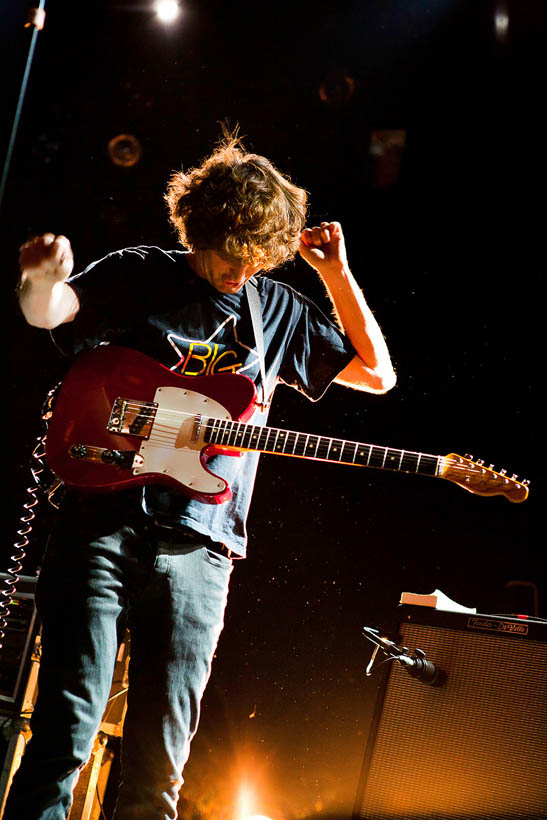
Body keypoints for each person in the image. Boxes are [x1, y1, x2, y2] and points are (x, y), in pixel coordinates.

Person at [6, 133, 396, 820]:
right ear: (204, 227)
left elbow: (377, 375)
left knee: (159, 768)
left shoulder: (273, 307)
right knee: (64, 733)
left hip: (203, 546)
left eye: (258, 258)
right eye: (231, 252)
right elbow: (53, 314)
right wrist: (39, 280)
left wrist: (335, 274)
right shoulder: (139, 272)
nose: (240, 270)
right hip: (100, 520)